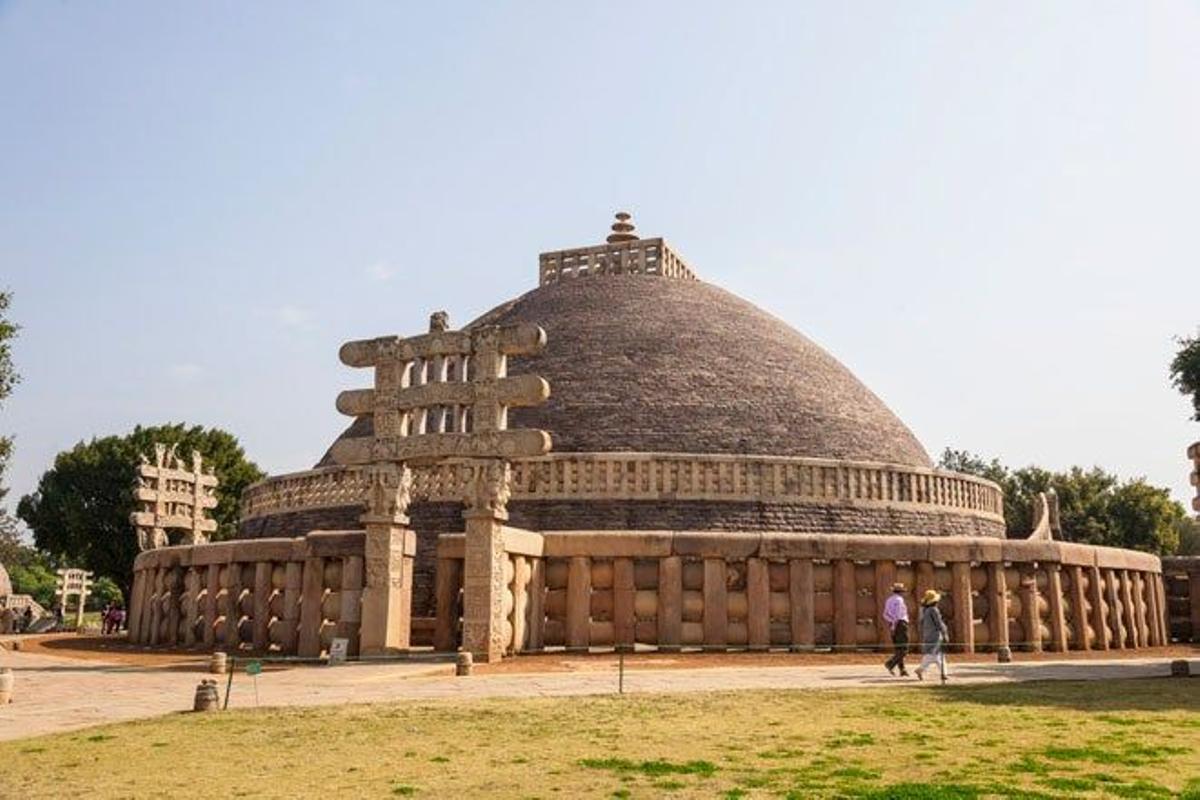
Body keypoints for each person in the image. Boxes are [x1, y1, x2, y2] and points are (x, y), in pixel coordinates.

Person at [915, 589, 949, 684]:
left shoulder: (924, 610)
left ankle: (944, 673)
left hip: (927, 634)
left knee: (938, 655)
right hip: (935, 635)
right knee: (932, 655)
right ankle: (921, 669)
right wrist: (945, 633)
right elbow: (939, 623)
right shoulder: (933, 610)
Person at [881, 582, 910, 676]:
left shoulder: (889, 600)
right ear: (901, 592)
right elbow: (898, 615)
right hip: (901, 624)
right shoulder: (900, 600)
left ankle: (902, 669)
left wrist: (892, 623)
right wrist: (895, 624)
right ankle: (890, 663)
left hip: (892, 624)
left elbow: (885, 614)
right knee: (904, 648)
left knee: (898, 648)